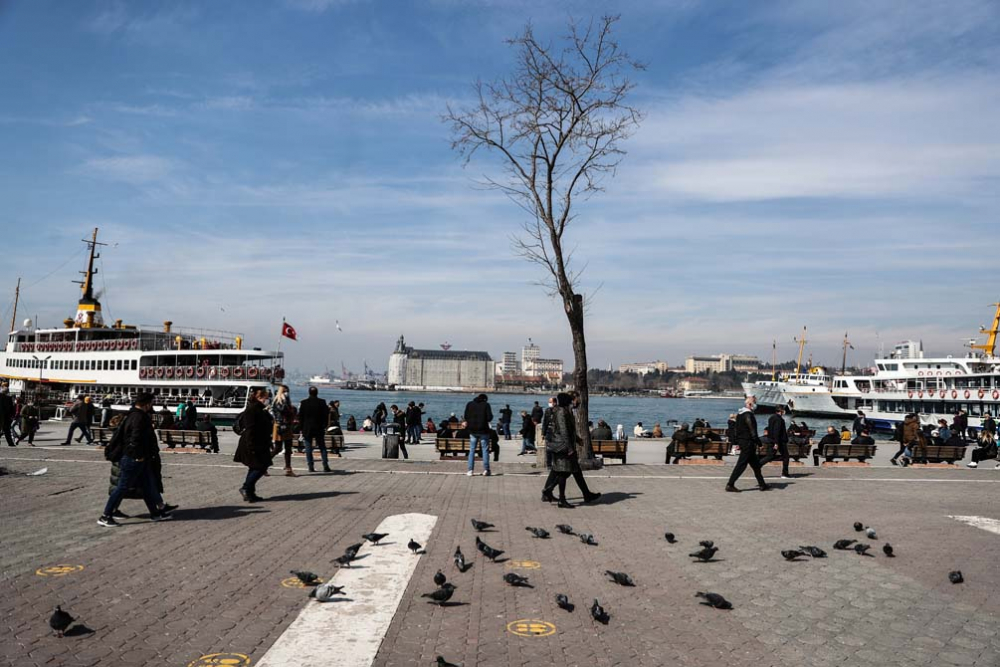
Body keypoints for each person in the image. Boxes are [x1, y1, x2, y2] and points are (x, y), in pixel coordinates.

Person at [98, 393, 171, 526]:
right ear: (147, 403)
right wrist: (137, 456)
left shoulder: (131, 415)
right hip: (134, 458)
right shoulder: (139, 417)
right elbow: (135, 439)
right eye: (151, 403)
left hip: (138, 458)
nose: (152, 406)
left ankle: (155, 514)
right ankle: (105, 515)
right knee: (122, 487)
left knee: (147, 486)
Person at [234, 388, 274, 502]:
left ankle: (250, 493)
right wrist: (251, 445)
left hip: (261, 442)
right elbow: (251, 428)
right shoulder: (252, 409)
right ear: (258, 398)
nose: (267, 400)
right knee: (261, 466)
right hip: (252, 443)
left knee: (255, 467)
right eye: (265, 398)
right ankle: (246, 488)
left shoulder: (261, 409)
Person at [540, 393, 579, 508]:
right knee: (564, 472)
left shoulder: (562, 410)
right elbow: (564, 430)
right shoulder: (562, 411)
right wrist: (570, 447)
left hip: (561, 444)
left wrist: (577, 439)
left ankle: (551, 491)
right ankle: (559, 497)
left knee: (563, 472)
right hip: (561, 446)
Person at [725, 396, 768, 493]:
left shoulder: (740, 415)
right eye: (754, 402)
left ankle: (762, 484)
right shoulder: (748, 415)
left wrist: (738, 442)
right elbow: (753, 431)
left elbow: (737, 430)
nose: (756, 404)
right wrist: (759, 443)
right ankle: (730, 484)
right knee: (741, 464)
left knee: (756, 465)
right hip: (748, 443)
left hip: (744, 442)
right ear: (750, 404)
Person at [298, 387, 331, 473]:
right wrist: (324, 425)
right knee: (322, 447)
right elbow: (326, 415)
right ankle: (325, 465)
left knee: (308, 447)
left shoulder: (303, 403)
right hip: (319, 427)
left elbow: (300, 417)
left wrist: (301, 428)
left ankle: (310, 466)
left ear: (309, 393)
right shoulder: (322, 402)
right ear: (317, 392)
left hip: (307, 428)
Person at [270, 385, 297, 477]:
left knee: (279, 448)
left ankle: (288, 468)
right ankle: (288, 468)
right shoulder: (283, 400)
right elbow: (284, 411)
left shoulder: (276, 400)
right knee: (285, 448)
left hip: (278, 425)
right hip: (284, 425)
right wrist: (292, 410)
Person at [464, 393, 493, 476]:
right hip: (483, 430)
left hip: (472, 430)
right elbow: (489, 418)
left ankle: (470, 470)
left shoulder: (469, 404)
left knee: (472, 450)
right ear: (485, 399)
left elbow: (466, 416)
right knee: (485, 450)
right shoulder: (486, 405)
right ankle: (486, 470)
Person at [760, 405, 791, 479]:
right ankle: (785, 474)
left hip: (771, 439)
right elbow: (777, 431)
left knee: (770, 456)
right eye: (783, 410)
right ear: (781, 411)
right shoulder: (779, 419)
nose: (784, 411)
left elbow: (771, 429)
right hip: (780, 441)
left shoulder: (771, 417)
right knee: (786, 457)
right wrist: (776, 443)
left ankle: (758, 465)